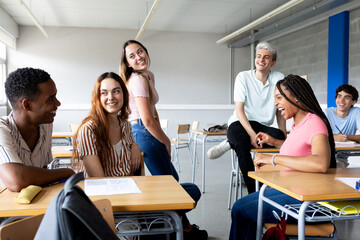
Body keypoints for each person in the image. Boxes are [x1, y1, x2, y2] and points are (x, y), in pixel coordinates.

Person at [229, 74, 337, 240]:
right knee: (239, 207)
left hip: (307, 199)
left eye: (279, 98)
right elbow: (301, 148)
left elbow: (321, 162)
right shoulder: (297, 123)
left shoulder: (314, 122)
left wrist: (273, 159)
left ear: (296, 97)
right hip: (292, 189)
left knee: (242, 211)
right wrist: (276, 142)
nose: (275, 103)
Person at [120, 40, 207, 239]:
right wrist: (166, 140)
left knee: (171, 181)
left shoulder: (148, 76)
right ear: (127, 63)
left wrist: (160, 134)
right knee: (171, 186)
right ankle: (167, 226)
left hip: (148, 130)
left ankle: (182, 227)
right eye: (131, 56)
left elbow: (153, 110)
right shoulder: (137, 79)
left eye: (140, 51)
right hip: (142, 131)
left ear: (146, 52)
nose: (138, 57)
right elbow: (147, 120)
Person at [207, 41, 287, 194]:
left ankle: (231, 142)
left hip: (263, 125)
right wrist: (251, 135)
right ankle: (254, 193)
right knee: (243, 146)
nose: (261, 60)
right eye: (258, 56)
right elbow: (239, 110)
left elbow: (280, 108)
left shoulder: (279, 78)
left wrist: (283, 135)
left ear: (273, 62)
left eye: (266, 57)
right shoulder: (243, 77)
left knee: (277, 137)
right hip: (240, 122)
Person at [0, 67, 74, 192]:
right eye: (50, 99)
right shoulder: (2, 129)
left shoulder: (45, 124)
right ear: (27, 105)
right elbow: (17, 181)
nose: (58, 103)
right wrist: (66, 172)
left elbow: (43, 173)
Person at [72, 72, 141, 177]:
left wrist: (135, 146)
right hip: (102, 191)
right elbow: (98, 180)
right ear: (97, 97)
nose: (111, 97)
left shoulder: (125, 125)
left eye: (116, 91)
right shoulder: (88, 130)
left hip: (127, 187)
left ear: (124, 94)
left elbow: (132, 145)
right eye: (104, 93)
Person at [324, 84, 360, 168]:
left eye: (347, 97)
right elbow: (313, 135)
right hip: (323, 155)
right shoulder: (327, 113)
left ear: (354, 101)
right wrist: (333, 137)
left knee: (337, 169)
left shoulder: (356, 112)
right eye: (339, 96)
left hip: (340, 159)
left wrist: (347, 137)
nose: (341, 100)